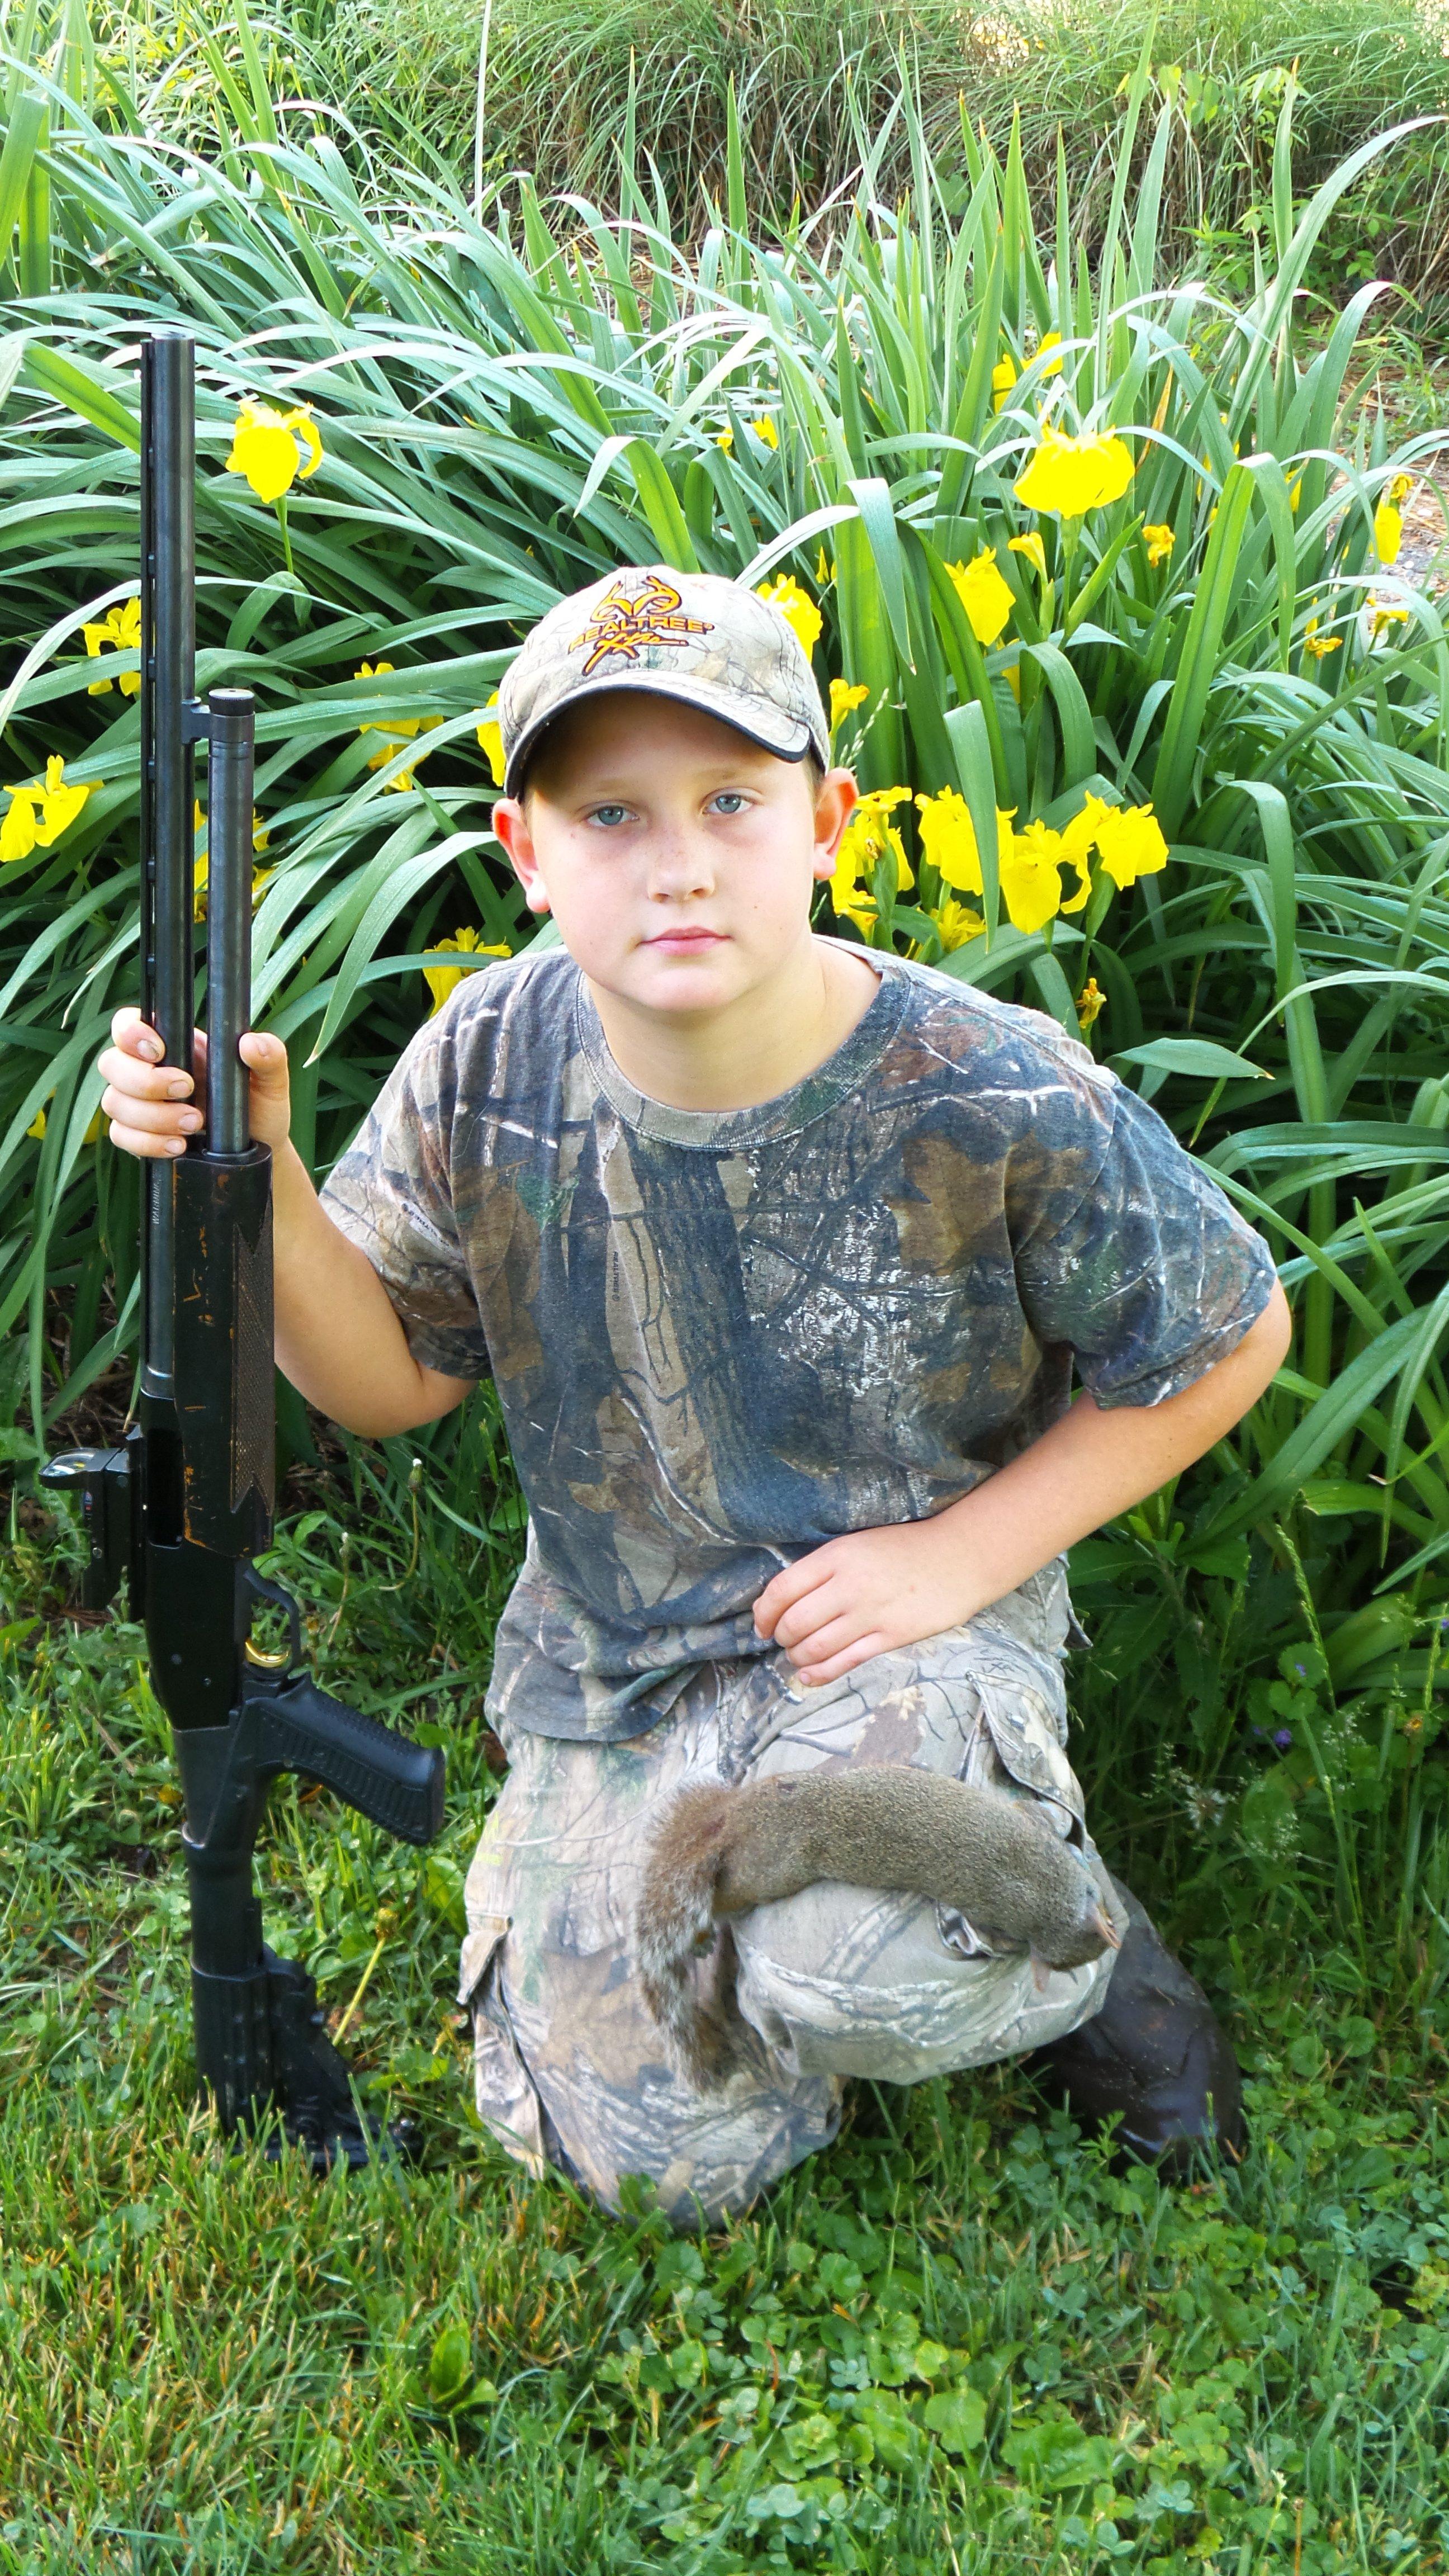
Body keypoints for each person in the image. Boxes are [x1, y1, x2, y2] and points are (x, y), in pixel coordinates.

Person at [100, 565, 1292, 2227]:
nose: (678, 864)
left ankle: (1070, 1955)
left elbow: (1228, 1333)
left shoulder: (990, 1085)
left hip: (897, 1634)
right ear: (527, 854)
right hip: (626, 1671)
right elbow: (383, 1384)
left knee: (864, 1968)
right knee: (652, 2166)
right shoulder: (487, 1063)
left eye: (732, 799)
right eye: (611, 814)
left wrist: (959, 1560)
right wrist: (266, 1166)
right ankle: (777, 1947)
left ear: (829, 821)